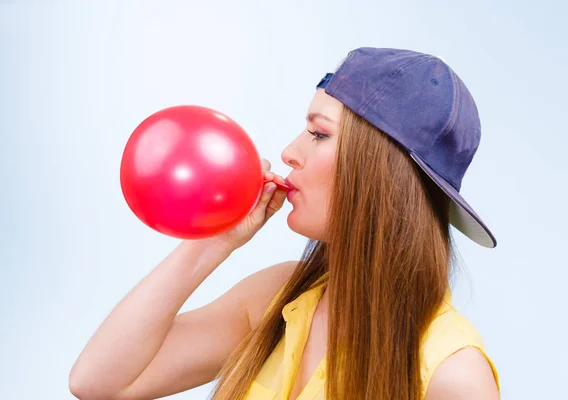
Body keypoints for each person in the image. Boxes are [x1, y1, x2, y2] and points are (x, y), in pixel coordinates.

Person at [69, 47, 501, 400]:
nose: (290, 152)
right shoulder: (277, 298)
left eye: (319, 134)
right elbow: (98, 382)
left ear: (381, 172)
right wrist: (212, 242)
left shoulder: (453, 375)